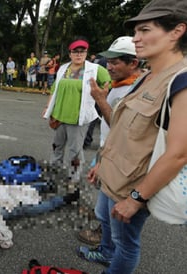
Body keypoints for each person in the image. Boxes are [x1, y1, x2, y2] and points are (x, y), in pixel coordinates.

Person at [76, 1, 187, 273]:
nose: (136, 38)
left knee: (125, 244)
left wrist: (136, 199)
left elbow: (179, 154)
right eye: (135, 31)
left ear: (177, 31)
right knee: (107, 227)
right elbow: (125, 130)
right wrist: (102, 162)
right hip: (115, 174)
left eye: (145, 30)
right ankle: (105, 254)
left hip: (133, 185)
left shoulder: (181, 81)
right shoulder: (147, 76)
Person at [77, 36, 141, 246]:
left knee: (114, 198)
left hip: (120, 158)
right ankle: (102, 221)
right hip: (107, 150)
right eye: (108, 61)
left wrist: (101, 101)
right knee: (100, 187)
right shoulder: (121, 84)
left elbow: (121, 127)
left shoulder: (135, 90)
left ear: (133, 63)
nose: (109, 66)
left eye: (115, 62)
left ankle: (105, 235)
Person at [42, 39, 110, 168]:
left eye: (82, 51)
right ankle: (54, 172)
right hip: (59, 115)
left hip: (78, 117)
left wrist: (101, 95)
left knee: (75, 151)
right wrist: (48, 107)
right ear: (70, 54)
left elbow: (108, 82)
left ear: (86, 53)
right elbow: (54, 89)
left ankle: (74, 180)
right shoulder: (63, 68)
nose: (79, 55)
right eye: (75, 52)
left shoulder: (95, 69)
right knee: (57, 147)